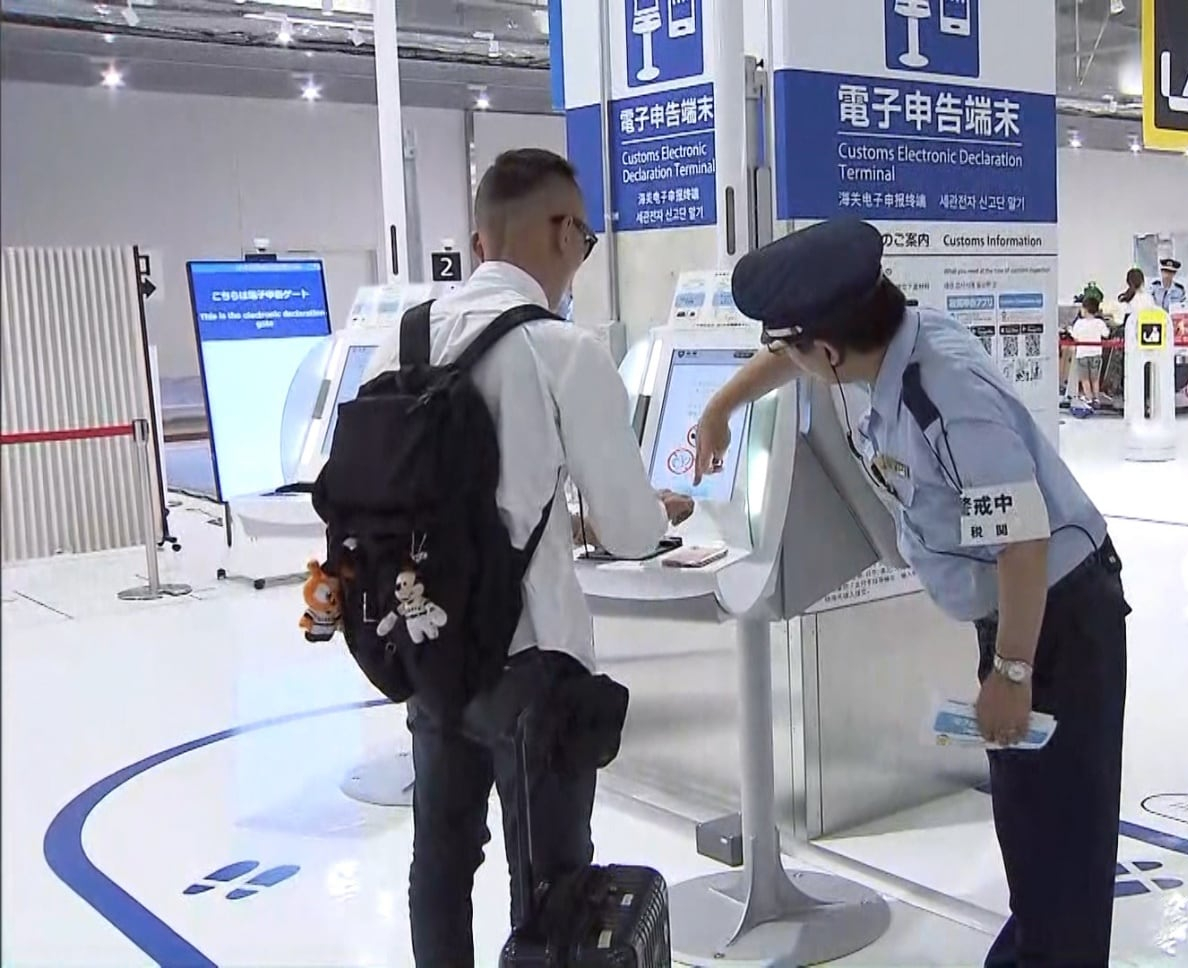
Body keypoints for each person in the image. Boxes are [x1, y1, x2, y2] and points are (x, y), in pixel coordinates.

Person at [692, 219, 1130, 966]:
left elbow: (1021, 540)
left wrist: (1013, 672)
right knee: (1031, 835)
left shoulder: (942, 396)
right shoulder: (893, 342)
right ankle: (1039, 943)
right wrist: (718, 409)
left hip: (1058, 622)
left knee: (1061, 843)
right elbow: (785, 358)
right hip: (1019, 615)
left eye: (798, 351)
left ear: (827, 350)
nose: (792, 361)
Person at [362, 148, 693, 966]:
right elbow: (626, 528)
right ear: (558, 230)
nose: (579, 256)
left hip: (430, 652)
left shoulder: (400, 342)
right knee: (552, 887)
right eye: (581, 236)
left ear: (479, 244)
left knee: (438, 864)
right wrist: (655, 516)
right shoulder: (562, 349)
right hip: (531, 664)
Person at [1068, 295, 1108, 410]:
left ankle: (1088, 398)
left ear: (1084, 309)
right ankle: (1096, 398)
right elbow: (1106, 334)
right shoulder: (1099, 322)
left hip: (1083, 353)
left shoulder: (1079, 323)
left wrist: (1070, 331)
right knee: (1095, 378)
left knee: (1085, 378)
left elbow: (1076, 337)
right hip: (1096, 353)